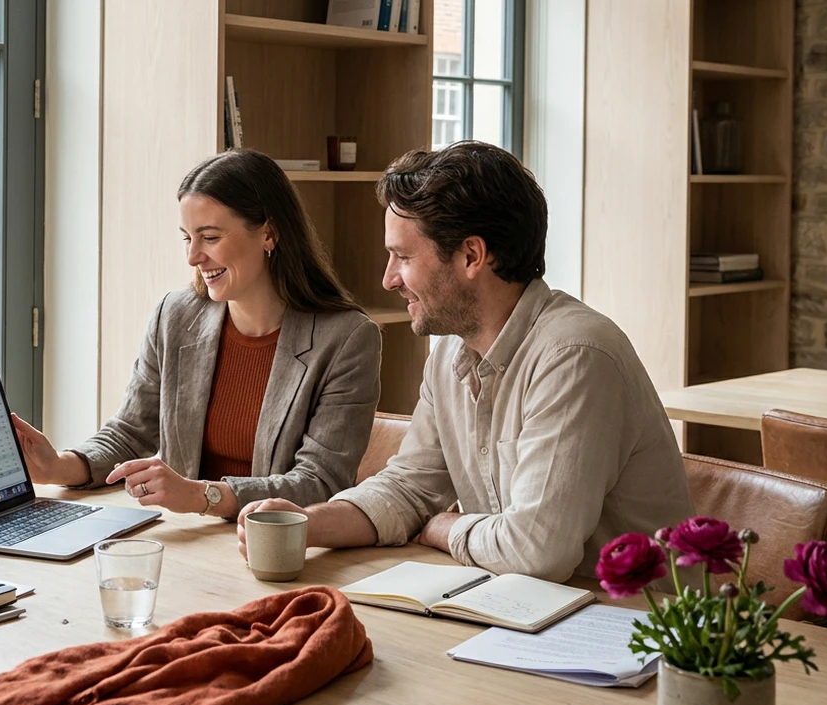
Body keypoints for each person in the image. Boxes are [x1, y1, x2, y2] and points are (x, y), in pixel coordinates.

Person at [238, 141, 695, 582]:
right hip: (528, 614)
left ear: (472, 256)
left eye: (402, 257)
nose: (388, 279)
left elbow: (537, 552)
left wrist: (443, 528)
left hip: (638, 634)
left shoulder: (573, 356)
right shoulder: (449, 357)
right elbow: (409, 489)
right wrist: (306, 524)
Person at [12, 149, 382, 519]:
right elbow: (131, 431)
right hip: (187, 539)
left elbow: (320, 481)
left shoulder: (347, 339)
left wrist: (205, 496)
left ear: (269, 233)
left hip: (275, 548)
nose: (193, 257)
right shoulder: (174, 315)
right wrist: (60, 466)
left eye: (210, 236)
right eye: (187, 238)